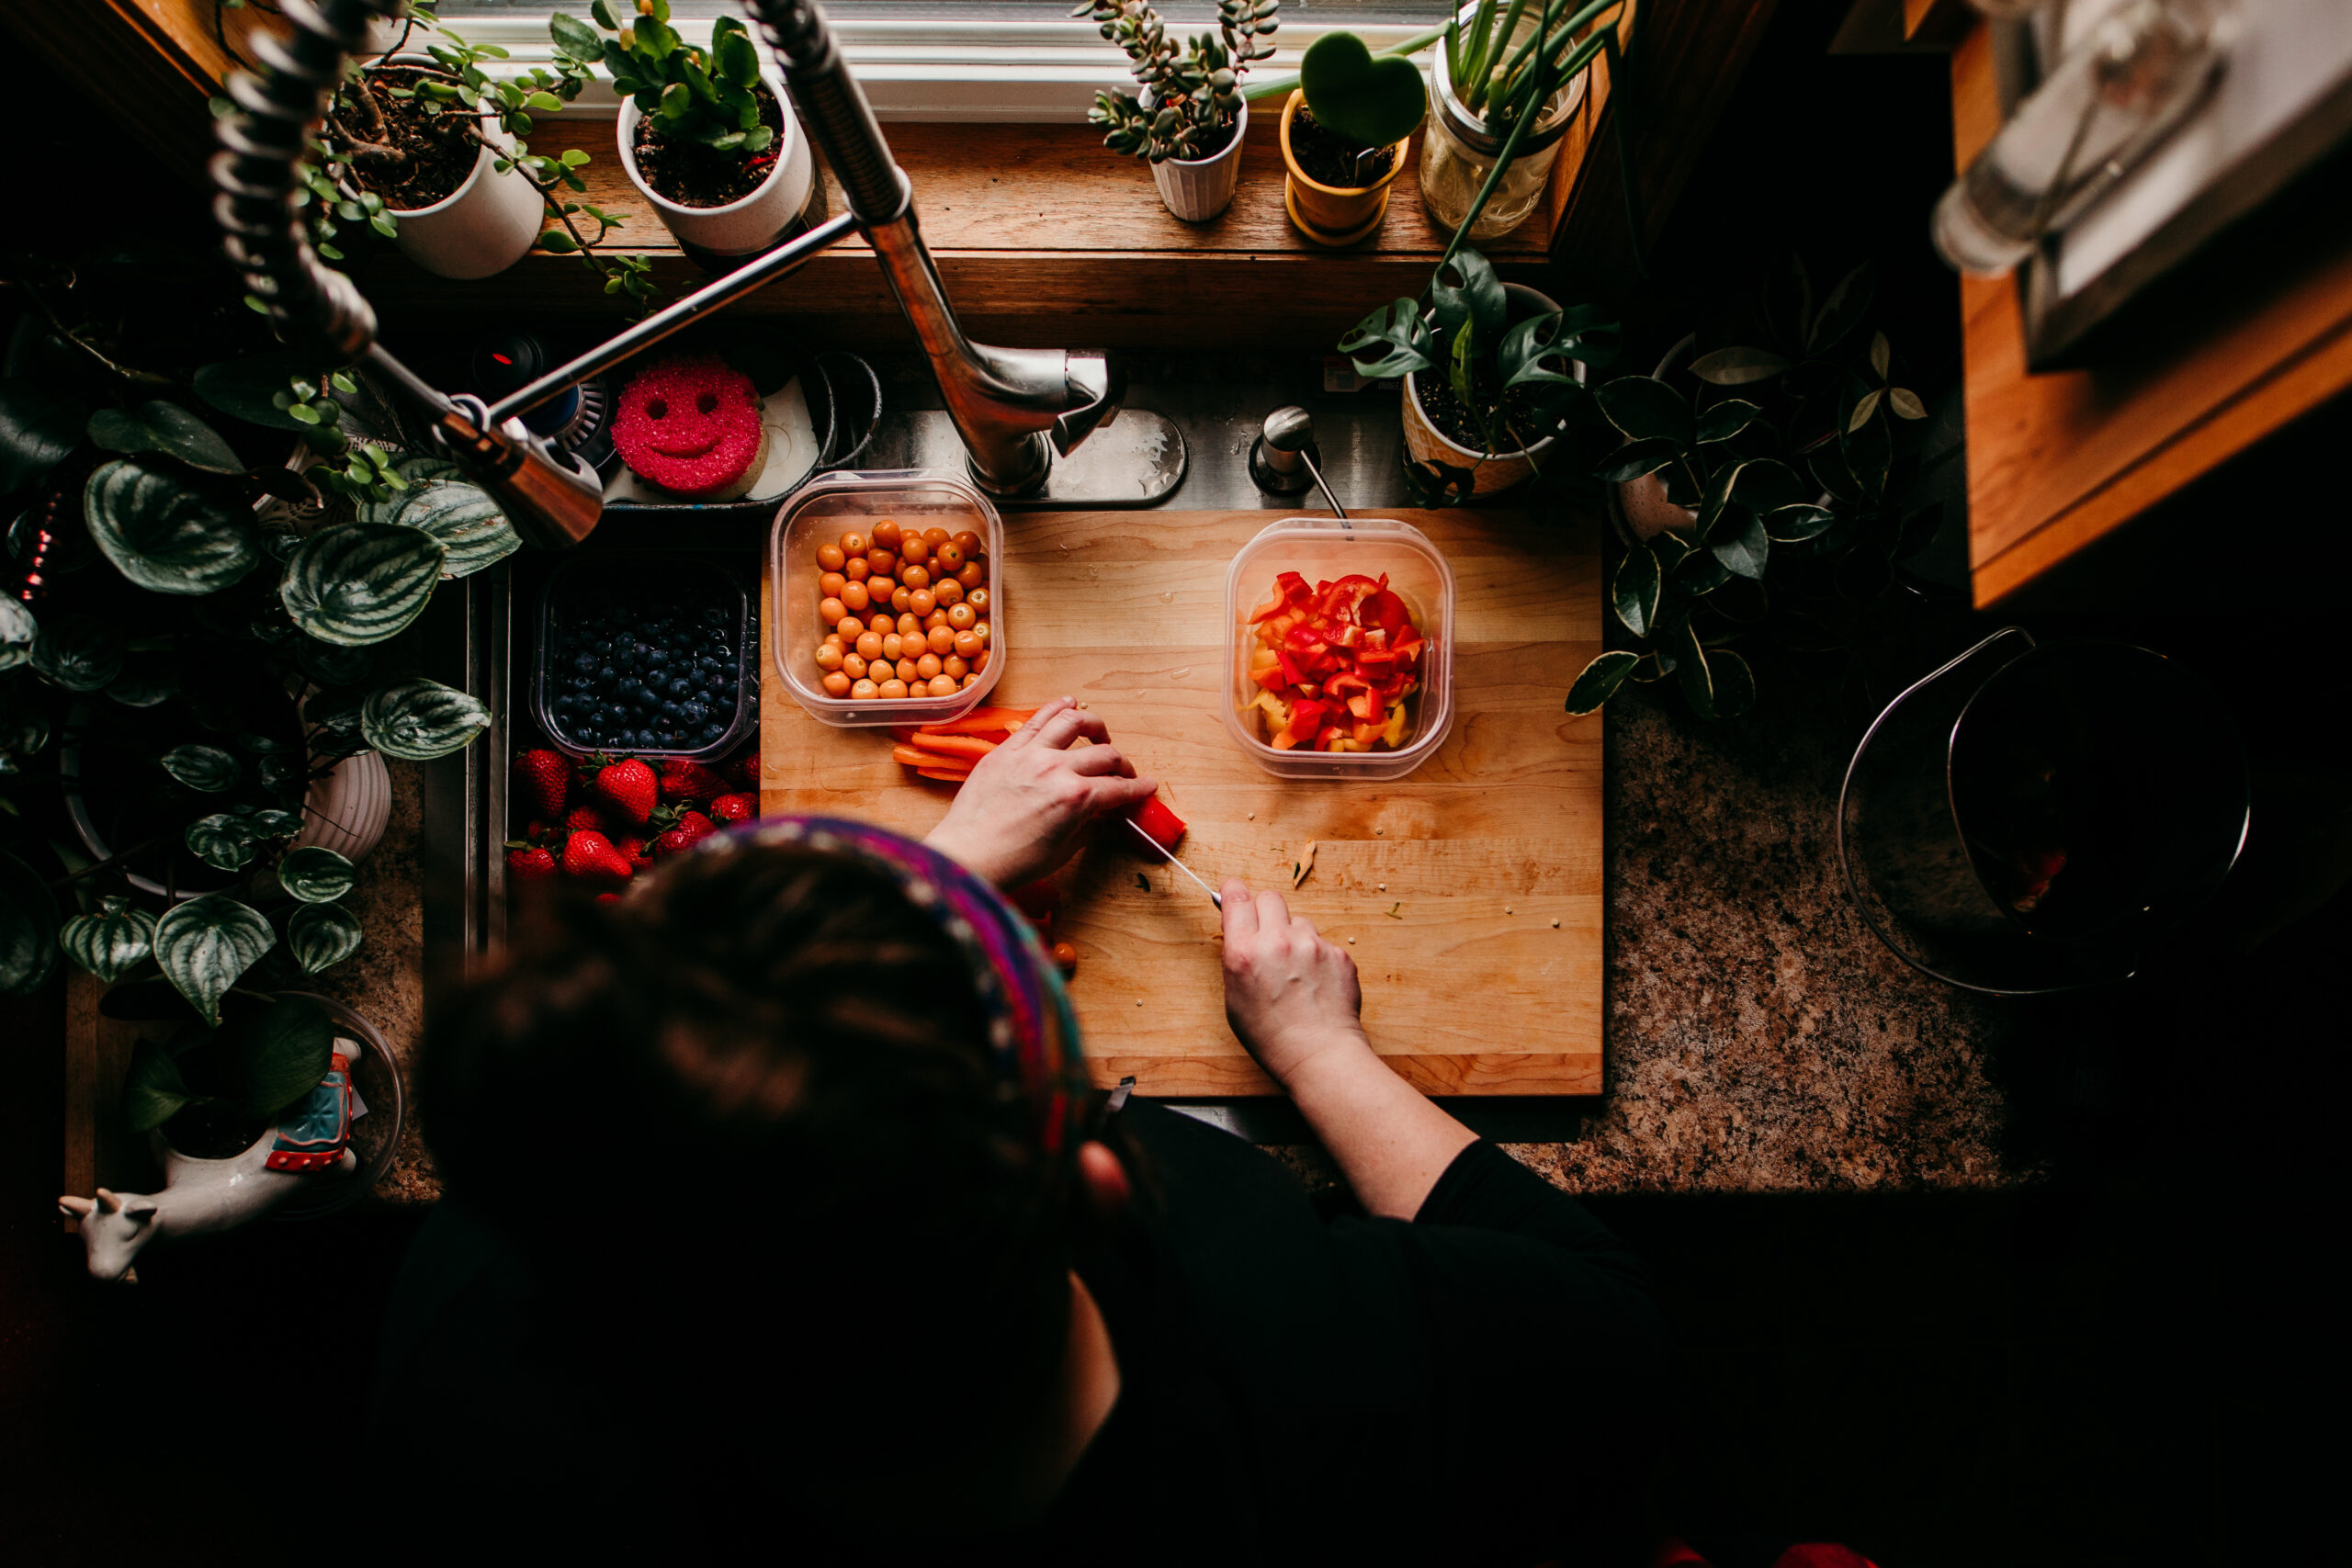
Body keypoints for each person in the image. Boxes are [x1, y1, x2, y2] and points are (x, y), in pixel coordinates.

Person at [368, 699, 1664, 1564]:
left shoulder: (479, 1329)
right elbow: (1615, 1324)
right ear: (1103, 1182)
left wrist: (951, 858)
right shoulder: (1298, 1345)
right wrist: (1321, 1050)